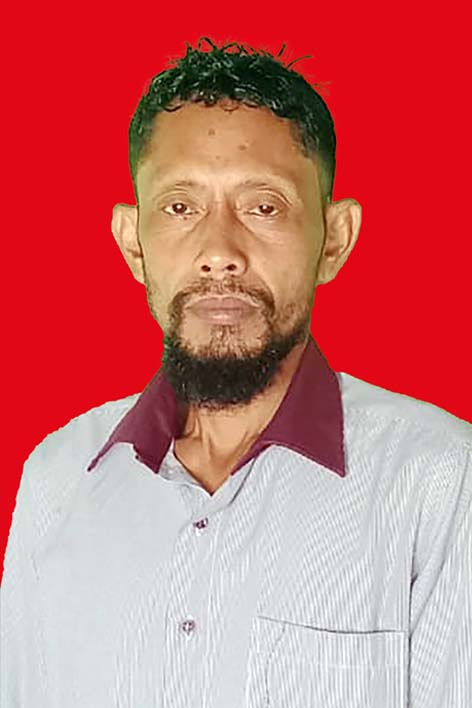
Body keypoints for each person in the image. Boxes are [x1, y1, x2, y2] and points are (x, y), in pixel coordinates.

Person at [1, 36, 471, 708]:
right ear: (133, 243)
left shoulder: (443, 482)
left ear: (334, 240)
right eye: (181, 207)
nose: (219, 252)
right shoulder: (57, 477)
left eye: (263, 206)